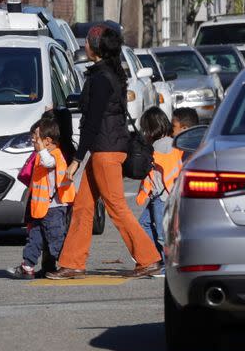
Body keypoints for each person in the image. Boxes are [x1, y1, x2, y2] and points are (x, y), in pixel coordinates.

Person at [47, 24, 162, 280]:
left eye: (87, 42)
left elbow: (93, 121)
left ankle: (149, 258)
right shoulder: (110, 73)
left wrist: (77, 159)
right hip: (105, 148)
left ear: (96, 47)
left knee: (117, 207)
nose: (84, 46)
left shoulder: (100, 79)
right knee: (83, 206)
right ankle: (72, 263)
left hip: (106, 151)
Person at [8, 116, 75, 279]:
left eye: (35, 138)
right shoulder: (41, 155)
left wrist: (41, 149)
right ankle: (28, 265)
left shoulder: (54, 155)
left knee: (56, 238)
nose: (33, 141)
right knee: (35, 238)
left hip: (54, 209)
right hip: (40, 209)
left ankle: (68, 265)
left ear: (47, 141)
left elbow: (49, 163)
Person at [136, 107, 184, 261]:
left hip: (161, 197)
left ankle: (163, 263)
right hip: (167, 195)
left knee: (161, 234)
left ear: (151, 129)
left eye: (145, 129)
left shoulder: (157, 147)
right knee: (145, 224)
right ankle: (158, 259)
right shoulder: (173, 142)